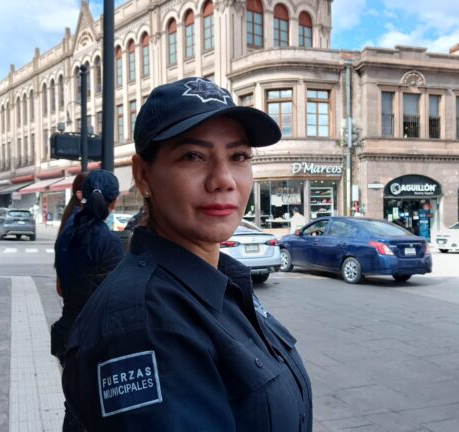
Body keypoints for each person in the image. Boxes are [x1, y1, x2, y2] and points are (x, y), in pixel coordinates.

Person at [62, 77, 312, 431]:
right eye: (193, 156)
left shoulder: (221, 282)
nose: (224, 179)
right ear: (143, 175)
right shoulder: (143, 326)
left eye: (239, 156)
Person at [53, 170, 124, 431]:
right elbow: (115, 299)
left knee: (75, 407)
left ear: (82, 196)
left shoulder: (66, 234)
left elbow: (60, 288)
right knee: (98, 412)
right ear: (113, 203)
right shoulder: (110, 243)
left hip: (67, 332)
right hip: (97, 338)